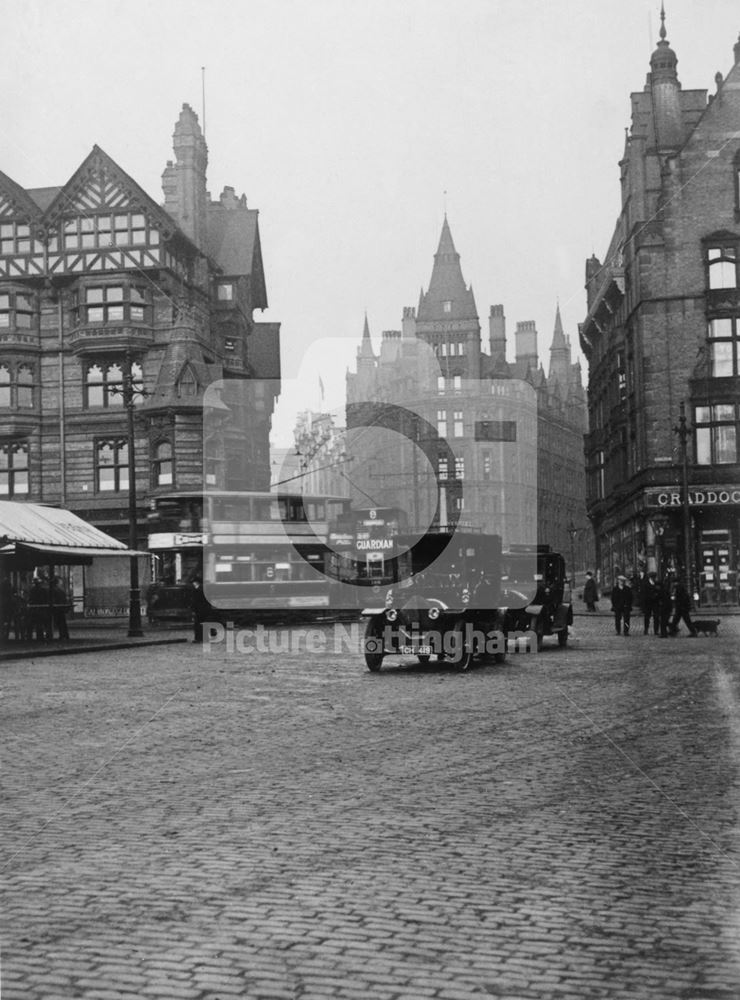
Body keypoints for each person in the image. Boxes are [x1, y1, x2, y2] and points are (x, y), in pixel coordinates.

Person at [27, 576, 50, 641]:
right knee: (41, 623)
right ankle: (41, 636)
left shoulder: (32, 590)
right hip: (42, 608)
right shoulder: (43, 590)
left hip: (34, 609)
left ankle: (30, 637)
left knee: (32, 624)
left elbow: (30, 599)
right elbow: (46, 599)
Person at [190, 575, 211, 643]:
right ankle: (200, 638)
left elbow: (196, 601)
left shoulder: (199, 589)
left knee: (199, 624)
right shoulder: (199, 589)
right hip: (200, 609)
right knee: (199, 624)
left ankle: (200, 638)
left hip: (201, 609)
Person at [51, 576, 70, 640]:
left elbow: (53, 599)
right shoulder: (61, 591)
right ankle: (65, 635)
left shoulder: (54, 590)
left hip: (57, 608)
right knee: (62, 622)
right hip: (61, 608)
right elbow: (64, 599)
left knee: (59, 623)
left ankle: (62, 635)